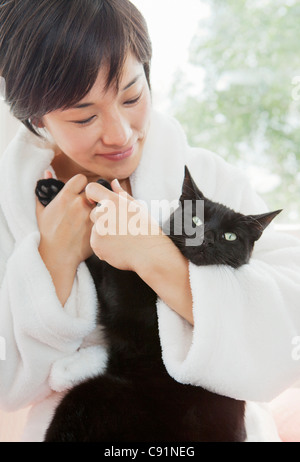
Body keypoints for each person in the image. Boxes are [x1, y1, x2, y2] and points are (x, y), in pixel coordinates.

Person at [0, 0, 299, 442]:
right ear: (36, 119)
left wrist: (158, 259)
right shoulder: (13, 213)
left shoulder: (207, 178)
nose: (120, 134)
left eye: (132, 96)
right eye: (84, 115)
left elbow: (287, 333)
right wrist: (53, 262)